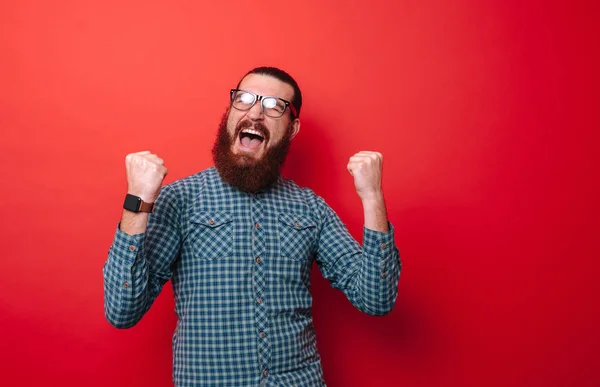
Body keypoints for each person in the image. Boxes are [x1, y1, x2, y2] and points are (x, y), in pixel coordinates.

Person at [103, 66, 401, 387]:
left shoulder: (311, 208)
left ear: (292, 127)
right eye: (244, 99)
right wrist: (138, 201)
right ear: (231, 111)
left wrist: (372, 197)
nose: (256, 112)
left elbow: (376, 299)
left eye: (274, 106)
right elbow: (122, 311)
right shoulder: (181, 199)